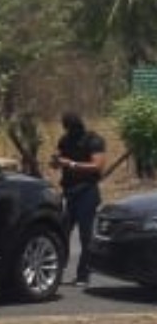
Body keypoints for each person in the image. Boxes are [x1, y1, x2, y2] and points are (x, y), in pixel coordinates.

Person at [51, 111, 107, 287]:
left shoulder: (93, 140)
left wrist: (72, 164)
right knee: (61, 233)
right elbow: (57, 159)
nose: (69, 131)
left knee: (85, 235)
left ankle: (83, 274)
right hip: (69, 191)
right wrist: (56, 161)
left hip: (87, 192)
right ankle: (56, 272)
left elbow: (97, 165)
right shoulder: (65, 140)